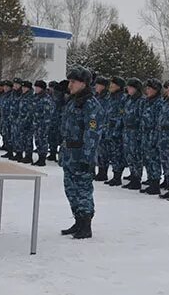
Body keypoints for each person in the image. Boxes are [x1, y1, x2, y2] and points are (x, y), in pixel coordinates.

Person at [60, 66, 103, 239]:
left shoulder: (90, 104)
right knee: (70, 188)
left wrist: (87, 157)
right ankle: (78, 220)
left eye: (73, 82)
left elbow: (92, 132)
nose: (70, 85)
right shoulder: (73, 101)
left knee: (83, 189)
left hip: (81, 154)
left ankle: (86, 225)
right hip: (70, 152)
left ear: (83, 83)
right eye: (69, 81)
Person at [139, 78, 163, 195]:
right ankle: (151, 180)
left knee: (154, 159)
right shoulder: (146, 101)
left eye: (149, 88)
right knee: (147, 159)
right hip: (146, 133)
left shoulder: (159, 103)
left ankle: (155, 184)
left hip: (154, 134)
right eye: (146, 88)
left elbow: (159, 122)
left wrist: (155, 137)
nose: (147, 90)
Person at [121, 78, 145, 190]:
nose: (128, 89)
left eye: (131, 87)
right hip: (127, 131)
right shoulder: (128, 100)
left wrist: (140, 134)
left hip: (135, 132)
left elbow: (141, 119)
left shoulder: (141, 101)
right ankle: (133, 175)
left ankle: (137, 178)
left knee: (136, 156)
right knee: (129, 155)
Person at [104, 76, 127, 186]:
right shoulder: (110, 97)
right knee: (112, 154)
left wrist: (116, 130)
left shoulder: (122, 98)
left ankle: (117, 177)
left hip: (117, 131)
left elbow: (122, 116)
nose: (110, 86)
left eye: (113, 84)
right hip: (109, 129)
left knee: (118, 154)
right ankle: (114, 175)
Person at [32, 80, 54, 166]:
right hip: (36, 123)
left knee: (43, 140)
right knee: (37, 140)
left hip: (43, 124)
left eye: (38, 87)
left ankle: (42, 158)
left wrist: (44, 124)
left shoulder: (46, 99)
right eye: (35, 87)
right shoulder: (36, 97)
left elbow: (48, 114)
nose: (36, 89)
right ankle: (39, 156)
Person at [93, 76, 110, 181]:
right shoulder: (96, 97)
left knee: (103, 152)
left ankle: (103, 172)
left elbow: (107, 114)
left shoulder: (107, 98)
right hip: (96, 127)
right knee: (98, 151)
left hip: (104, 128)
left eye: (98, 85)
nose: (96, 87)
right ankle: (99, 171)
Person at [16, 80, 35, 163]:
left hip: (28, 122)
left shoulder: (31, 97)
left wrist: (26, 120)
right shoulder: (23, 96)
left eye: (25, 87)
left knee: (28, 139)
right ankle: (20, 154)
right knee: (21, 138)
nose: (23, 89)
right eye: (23, 87)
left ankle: (28, 156)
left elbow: (30, 111)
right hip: (21, 121)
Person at [48, 80, 67, 162]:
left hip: (61, 120)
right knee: (52, 138)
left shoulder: (63, 98)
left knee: (61, 139)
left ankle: (61, 156)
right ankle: (52, 153)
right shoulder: (52, 96)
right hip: (54, 119)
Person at [8, 77, 23, 161]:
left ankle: (19, 153)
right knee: (13, 136)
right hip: (12, 118)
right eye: (15, 84)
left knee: (19, 136)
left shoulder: (21, 93)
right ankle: (14, 152)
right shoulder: (13, 93)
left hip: (19, 118)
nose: (16, 86)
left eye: (17, 84)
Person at [0, 80, 14, 157]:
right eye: (4, 86)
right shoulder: (4, 95)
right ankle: (8, 150)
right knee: (5, 135)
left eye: (7, 87)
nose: (5, 88)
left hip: (10, 119)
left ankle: (11, 151)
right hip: (4, 118)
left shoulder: (12, 96)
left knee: (10, 135)